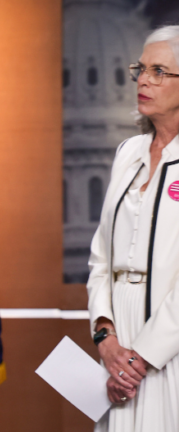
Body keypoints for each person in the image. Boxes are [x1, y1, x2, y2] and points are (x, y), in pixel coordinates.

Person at [88, 25, 179, 432]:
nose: (143, 79)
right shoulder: (127, 154)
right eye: (140, 69)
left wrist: (141, 357)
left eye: (159, 71)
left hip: (167, 348)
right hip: (117, 347)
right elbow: (101, 258)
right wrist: (104, 337)